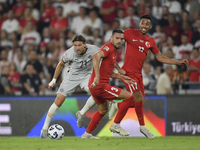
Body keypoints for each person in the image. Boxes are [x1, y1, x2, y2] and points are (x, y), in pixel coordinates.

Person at [109, 14, 189, 138]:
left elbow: (160, 57)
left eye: (147, 24)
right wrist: (118, 68)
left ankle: (117, 105)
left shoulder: (150, 41)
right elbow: (115, 40)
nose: (144, 25)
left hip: (139, 74)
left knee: (139, 102)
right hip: (128, 73)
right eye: (142, 23)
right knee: (137, 99)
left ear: (150, 26)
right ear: (139, 24)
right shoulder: (130, 33)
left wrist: (177, 61)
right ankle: (123, 125)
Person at [40, 35, 123, 138]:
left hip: (87, 76)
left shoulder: (94, 49)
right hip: (72, 77)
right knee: (59, 101)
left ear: (85, 44)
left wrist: (118, 68)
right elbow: (61, 64)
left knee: (97, 93)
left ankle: (81, 113)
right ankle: (44, 128)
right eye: (75, 45)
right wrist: (53, 80)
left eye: (79, 45)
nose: (77, 48)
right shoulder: (70, 52)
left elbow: (109, 57)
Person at [81, 29, 135, 139]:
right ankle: (116, 123)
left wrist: (121, 76)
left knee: (103, 110)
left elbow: (108, 72)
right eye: (117, 38)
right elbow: (96, 56)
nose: (119, 41)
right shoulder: (109, 47)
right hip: (100, 85)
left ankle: (87, 134)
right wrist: (97, 76)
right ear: (111, 38)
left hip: (95, 86)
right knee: (130, 97)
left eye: (121, 39)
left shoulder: (112, 51)